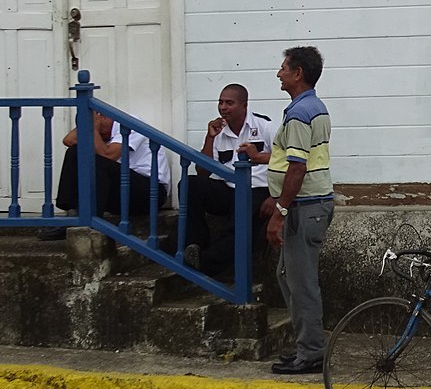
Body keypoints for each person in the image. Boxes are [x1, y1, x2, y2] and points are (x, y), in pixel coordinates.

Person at [266, 46, 334, 375]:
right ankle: (306, 346)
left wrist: (280, 210)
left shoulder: (299, 113)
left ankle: (312, 352)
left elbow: (297, 167)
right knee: (287, 276)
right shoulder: (312, 107)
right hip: (308, 204)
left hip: (304, 207)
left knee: (301, 282)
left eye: (283, 68)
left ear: (298, 74)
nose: (279, 74)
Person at [183, 84, 276, 277]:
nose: (223, 107)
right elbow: (203, 171)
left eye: (229, 103)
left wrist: (277, 197)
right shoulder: (218, 132)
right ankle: (194, 246)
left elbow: (285, 162)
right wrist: (209, 138)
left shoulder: (265, 126)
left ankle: (205, 264)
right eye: (221, 102)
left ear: (244, 105)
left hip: (257, 190)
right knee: (191, 185)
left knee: (239, 225)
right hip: (229, 189)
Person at [37, 110, 171, 240]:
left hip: (149, 194)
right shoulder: (99, 133)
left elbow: (108, 155)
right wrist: (87, 125)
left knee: (100, 162)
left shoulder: (129, 124)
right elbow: (68, 140)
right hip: (121, 194)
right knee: (74, 151)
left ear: (104, 117)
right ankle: (72, 211)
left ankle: (90, 218)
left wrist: (94, 129)